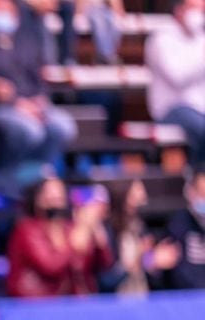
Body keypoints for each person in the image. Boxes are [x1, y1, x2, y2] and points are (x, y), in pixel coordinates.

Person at [0, 0, 78, 189]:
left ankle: (38, 172)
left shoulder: (25, 41)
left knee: (63, 126)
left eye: (4, 9)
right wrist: (12, 100)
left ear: (15, 15)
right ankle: (3, 176)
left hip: (32, 103)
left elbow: (38, 76)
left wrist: (39, 100)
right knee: (31, 130)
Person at [6, 176, 114, 297]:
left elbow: (103, 265)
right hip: (36, 304)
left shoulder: (70, 228)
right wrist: (74, 242)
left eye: (59, 193)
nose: (56, 197)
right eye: (50, 193)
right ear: (37, 199)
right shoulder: (27, 230)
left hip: (72, 302)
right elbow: (51, 266)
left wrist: (97, 236)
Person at [144, 0, 205, 167]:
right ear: (179, 10)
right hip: (171, 109)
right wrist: (202, 40)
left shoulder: (199, 39)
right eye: (195, 9)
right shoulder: (162, 38)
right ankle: (198, 180)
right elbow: (178, 75)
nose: (200, 15)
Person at [99, 180, 181, 294]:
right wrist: (144, 260)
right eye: (136, 193)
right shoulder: (108, 230)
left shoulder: (140, 227)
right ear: (124, 196)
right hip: (117, 299)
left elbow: (146, 264)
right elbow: (106, 279)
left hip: (141, 296)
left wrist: (153, 259)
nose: (143, 197)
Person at [158, 167, 205, 289]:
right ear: (190, 192)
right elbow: (174, 269)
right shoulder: (178, 224)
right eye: (202, 194)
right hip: (187, 297)